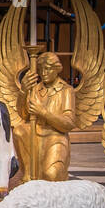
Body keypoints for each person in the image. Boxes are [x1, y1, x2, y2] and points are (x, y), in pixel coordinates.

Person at [12, 51, 77, 181]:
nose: (43, 73)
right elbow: (24, 114)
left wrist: (43, 112)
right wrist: (23, 91)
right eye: (41, 69)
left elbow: (68, 124)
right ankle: (28, 174)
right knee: (19, 130)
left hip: (55, 137)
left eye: (47, 69)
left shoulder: (66, 90)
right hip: (35, 134)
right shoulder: (36, 89)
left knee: (51, 175)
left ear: (57, 69)